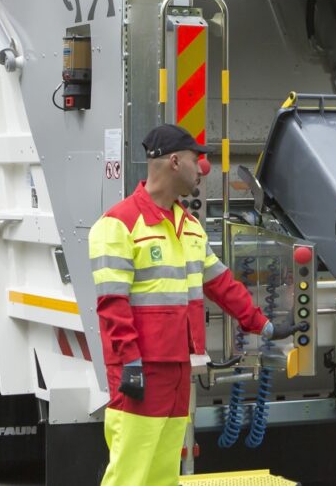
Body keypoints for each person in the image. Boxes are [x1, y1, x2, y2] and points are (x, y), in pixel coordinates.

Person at [90, 124, 296, 486]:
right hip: (143, 370)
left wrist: (262, 324)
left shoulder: (190, 227)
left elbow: (222, 285)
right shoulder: (118, 224)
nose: (202, 167)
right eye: (194, 158)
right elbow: (112, 304)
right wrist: (131, 362)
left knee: (164, 473)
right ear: (173, 162)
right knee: (130, 474)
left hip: (178, 368)